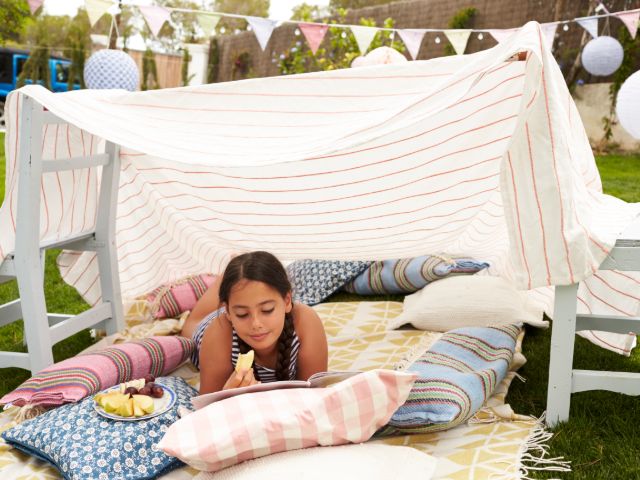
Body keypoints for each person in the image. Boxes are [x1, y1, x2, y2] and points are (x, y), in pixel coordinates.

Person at [182, 251, 328, 395]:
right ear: (228, 311)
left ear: (287, 301)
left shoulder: (306, 322)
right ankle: (230, 272)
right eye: (243, 314)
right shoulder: (218, 334)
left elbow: (315, 398)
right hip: (210, 328)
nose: (256, 324)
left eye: (267, 310)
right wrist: (228, 398)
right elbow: (206, 409)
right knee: (191, 326)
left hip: (232, 315)